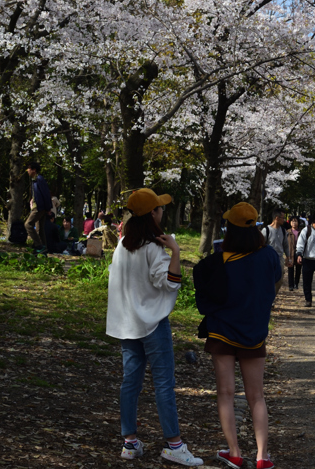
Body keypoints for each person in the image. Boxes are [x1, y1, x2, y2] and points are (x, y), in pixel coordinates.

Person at [105, 188, 202, 466]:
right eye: (159, 208)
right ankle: (174, 444)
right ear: (152, 213)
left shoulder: (122, 245)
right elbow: (170, 282)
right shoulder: (153, 248)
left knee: (130, 382)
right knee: (163, 384)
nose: (162, 211)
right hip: (152, 323)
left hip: (126, 323)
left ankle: (130, 442)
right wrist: (175, 250)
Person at [196, 203, 281, 469]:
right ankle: (261, 456)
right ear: (256, 226)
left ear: (229, 229)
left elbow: (202, 285)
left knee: (225, 393)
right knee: (256, 396)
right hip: (254, 333)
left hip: (222, 332)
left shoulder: (219, 260)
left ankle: (234, 452)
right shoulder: (268, 256)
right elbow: (275, 284)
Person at [24, 162, 52, 251]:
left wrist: (48, 208)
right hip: (38, 206)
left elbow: (46, 194)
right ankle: (43, 248)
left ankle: (38, 245)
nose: (27, 171)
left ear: (34, 170)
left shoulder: (39, 179)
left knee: (28, 224)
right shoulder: (34, 180)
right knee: (40, 228)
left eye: (29, 168)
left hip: (40, 207)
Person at [263, 210, 288, 277]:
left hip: (280, 259)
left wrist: (288, 257)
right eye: (283, 218)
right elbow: (261, 246)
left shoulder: (283, 231)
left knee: (279, 279)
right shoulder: (266, 230)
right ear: (277, 218)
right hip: (268, 259)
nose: (284, 220)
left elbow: (286, 245)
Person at [286, 217, 303, 291]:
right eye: (292, 221)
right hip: (290, 252)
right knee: (290, 269)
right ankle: (291, 285)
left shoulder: (301, 232)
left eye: (295, 221)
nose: (294, 223)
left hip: (298, 252)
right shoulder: (287, 232)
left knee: (298, 269)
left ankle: (296, 283)